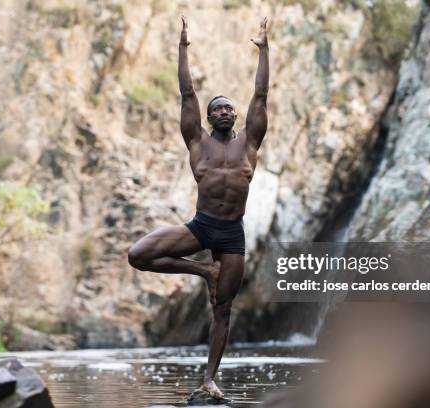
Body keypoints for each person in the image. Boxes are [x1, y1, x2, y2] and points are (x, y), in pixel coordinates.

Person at [128, 15, 269, 400]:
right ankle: (203, 270)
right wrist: (182, 48)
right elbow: (187, 93)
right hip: (202, 227)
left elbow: (261, 95)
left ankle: (209, 379)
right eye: (217, 108)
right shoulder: (197, 143)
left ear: (236, 117)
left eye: (229, 108)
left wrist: (264, 50)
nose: (224, 111)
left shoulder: (250, 144)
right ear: (207, 118)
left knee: (222, 311)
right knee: (138, 255)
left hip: (232, 234)